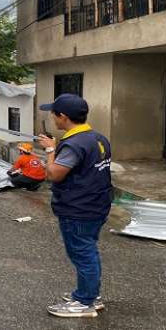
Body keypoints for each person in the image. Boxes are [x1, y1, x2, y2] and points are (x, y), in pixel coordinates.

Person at [36, 94, 113, 318]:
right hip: (98, 204)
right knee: (88, 250)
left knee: (82, 253)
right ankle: (89, 294)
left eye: (54, 114)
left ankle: (84, 302)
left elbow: (54, 175)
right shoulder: (97, 137)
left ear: (63, 117)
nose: (52, 117)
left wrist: (50, 151)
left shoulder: (73, 144)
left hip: (78, 209)